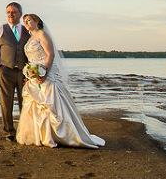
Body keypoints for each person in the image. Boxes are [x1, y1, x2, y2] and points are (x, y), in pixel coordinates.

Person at [16, 13, 105, 148]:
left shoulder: (42, 35)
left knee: (51, 102)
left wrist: (44, 71)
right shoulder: (30, 38)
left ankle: (61, 135)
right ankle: (39, 135)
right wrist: (30, 73)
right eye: (25, 21)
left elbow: (50, 55)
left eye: (29, 20)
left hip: (46, 71)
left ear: (37, 21)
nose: (27, 23)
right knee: (34, 102)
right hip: (34, 74)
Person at [0, 1, 30, 141]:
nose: (10, 14)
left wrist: (31, 71)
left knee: (24, 102)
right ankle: (9, 131)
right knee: (6, 102)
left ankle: (24, 129)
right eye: (8, 12)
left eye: (13, 12)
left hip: (24, 72)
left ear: (20, 14)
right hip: (6, 71)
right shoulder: (0, 29)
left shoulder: (27, 30)